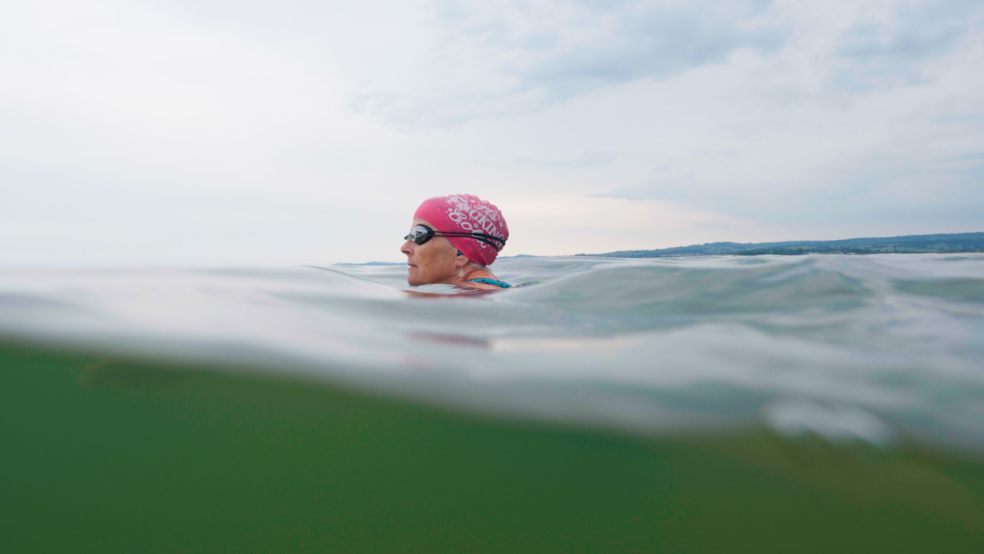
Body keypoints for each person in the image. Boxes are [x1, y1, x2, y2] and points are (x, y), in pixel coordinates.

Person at [401, 194, 511, 290]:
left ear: (461, 254)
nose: (404, 248)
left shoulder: (474, 294)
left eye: (419, 234)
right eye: (410, 235)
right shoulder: (481, 293)